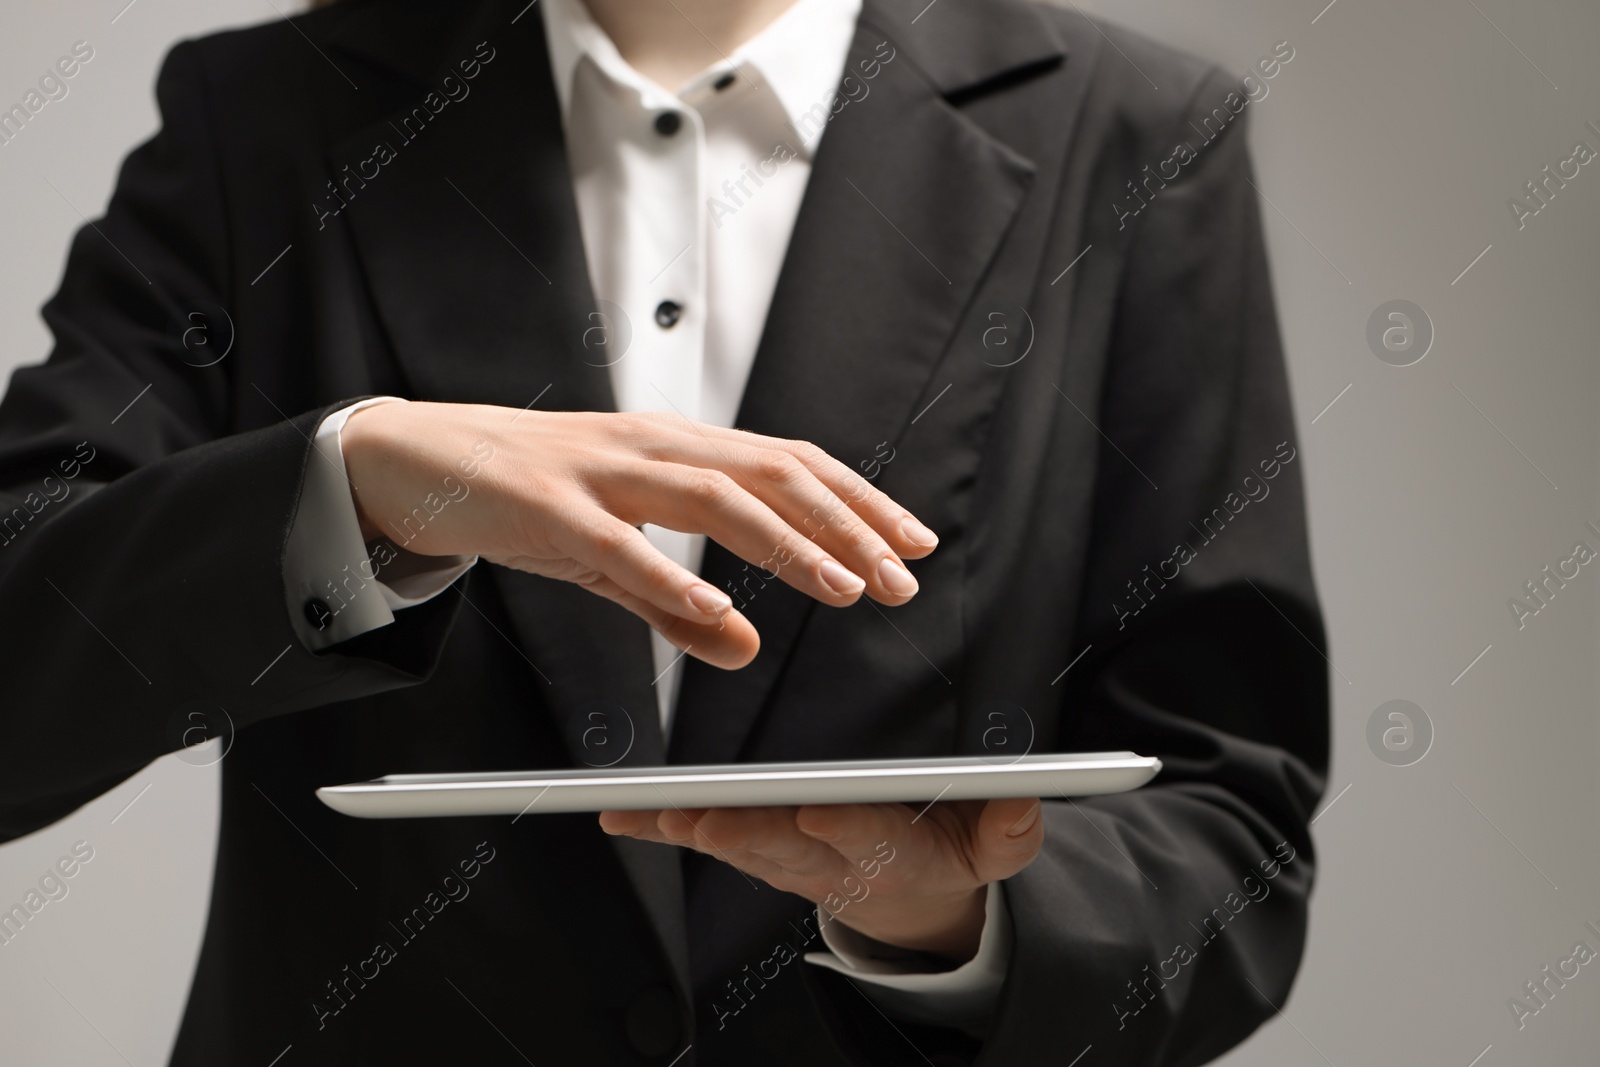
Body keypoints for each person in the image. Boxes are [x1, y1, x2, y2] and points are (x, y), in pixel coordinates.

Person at [0, 0, 1329, 1062]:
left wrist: (946, 914)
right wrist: (352, 485)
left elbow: (1233, 830)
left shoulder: (1139, 135)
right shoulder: (264, 118)